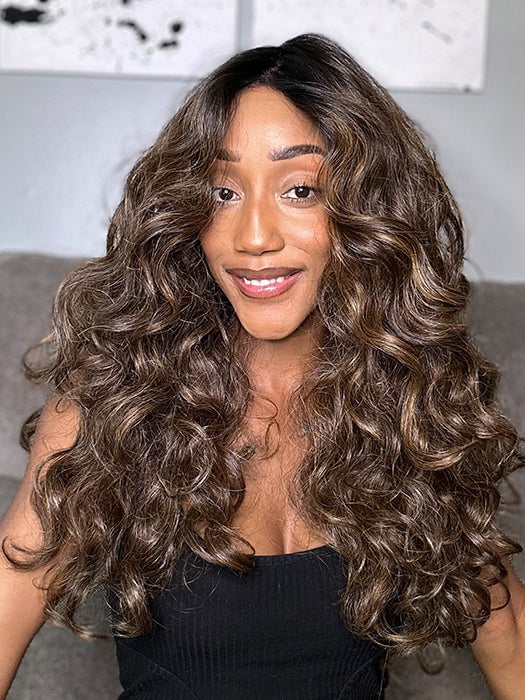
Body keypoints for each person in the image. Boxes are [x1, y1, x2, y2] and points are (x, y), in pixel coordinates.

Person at [1, 32, 524, 700]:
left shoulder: (402, 408)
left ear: (368, 212)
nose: (252, 236)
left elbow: (507, 634)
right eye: (222, 193)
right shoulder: (116, 405)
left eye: (300, 189)